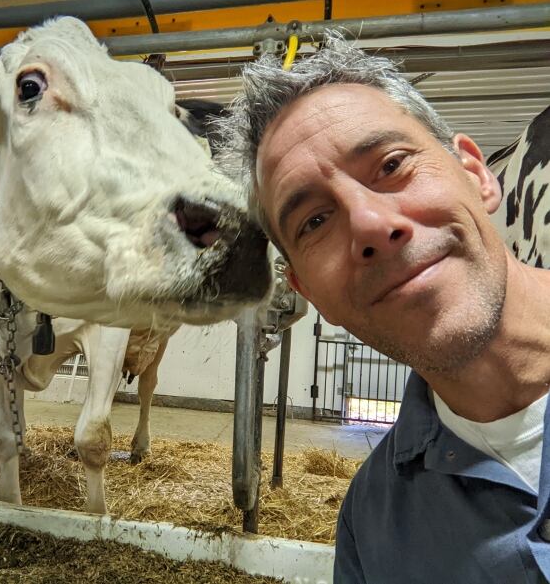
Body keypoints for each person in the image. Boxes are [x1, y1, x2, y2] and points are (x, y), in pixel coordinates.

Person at [218, 35, 550, 583]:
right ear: (304, 289)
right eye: (315, 222)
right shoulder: (373, 532)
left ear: (475, 172)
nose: (371, 225)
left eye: (392, 164)